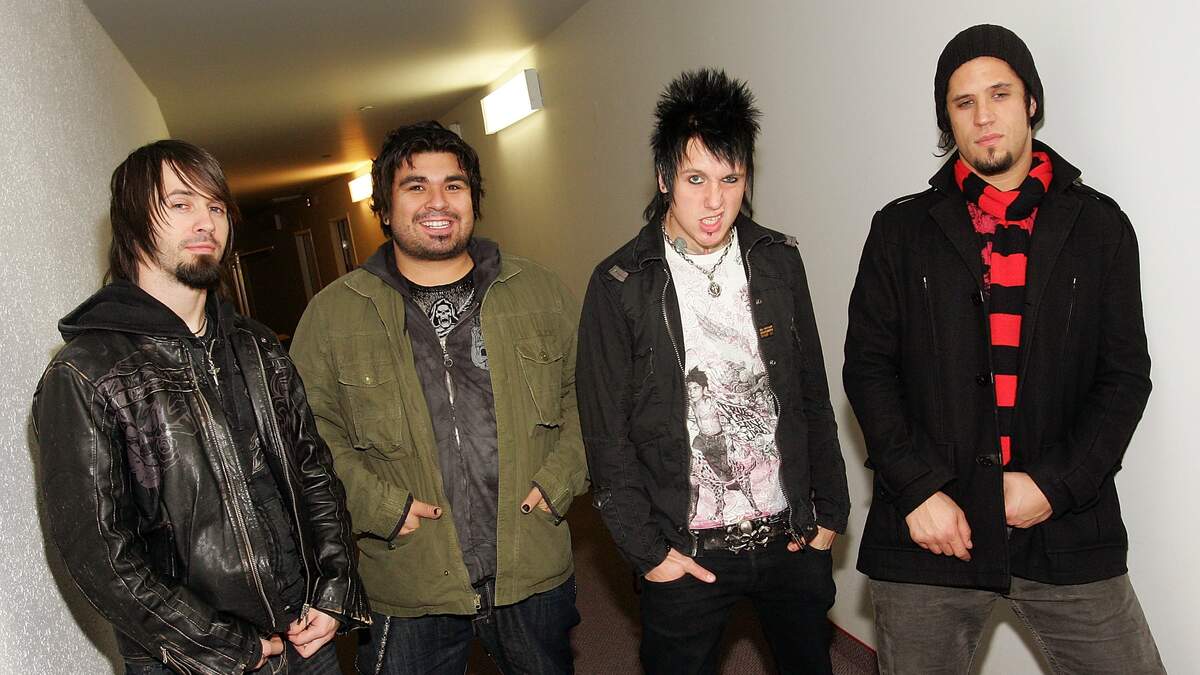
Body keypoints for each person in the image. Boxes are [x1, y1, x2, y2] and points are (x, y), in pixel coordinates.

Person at [844, 24, 1165, 673]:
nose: (983, 116)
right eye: (964, 102)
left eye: (1000, 94)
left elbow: (1125, 376)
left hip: (1065, 524)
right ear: (947, 119)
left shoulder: (1100, 227)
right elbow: (869, 369)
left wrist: (1055, 485)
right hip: (933, 531)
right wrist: (918, 491)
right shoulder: (900, 229)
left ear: (1031, 101)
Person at [33, 140, 368, 674]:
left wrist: (334, 589)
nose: (206, 221)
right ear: (132, 222)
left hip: (307, 637)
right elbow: (100, 554)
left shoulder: (257, 346)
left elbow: (314, 474)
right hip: (196, 661)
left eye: (216, 207)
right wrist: (225, 646)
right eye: (181, 203)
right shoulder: (86, 373)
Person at [577, 69, 849, 674]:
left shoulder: (778, 260)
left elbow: (811, 392)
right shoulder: (619, 284)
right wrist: (649, 554)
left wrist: (831, 511)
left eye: (730, 179)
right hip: (687, 548)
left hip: (790, 537)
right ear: (663, 179)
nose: (715, 201)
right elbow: (605, 435)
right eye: (695, 179)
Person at [290, 121, 587, 675]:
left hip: (530, 564)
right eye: (415, 186)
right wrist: (378, 506)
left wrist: (561, 479)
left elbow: (588, 400)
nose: (438, 202)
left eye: (453, 185)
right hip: (409, 577)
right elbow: (308, 436)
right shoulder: (334, 315)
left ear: (474, 199)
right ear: (384, 208)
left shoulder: (540, 293)